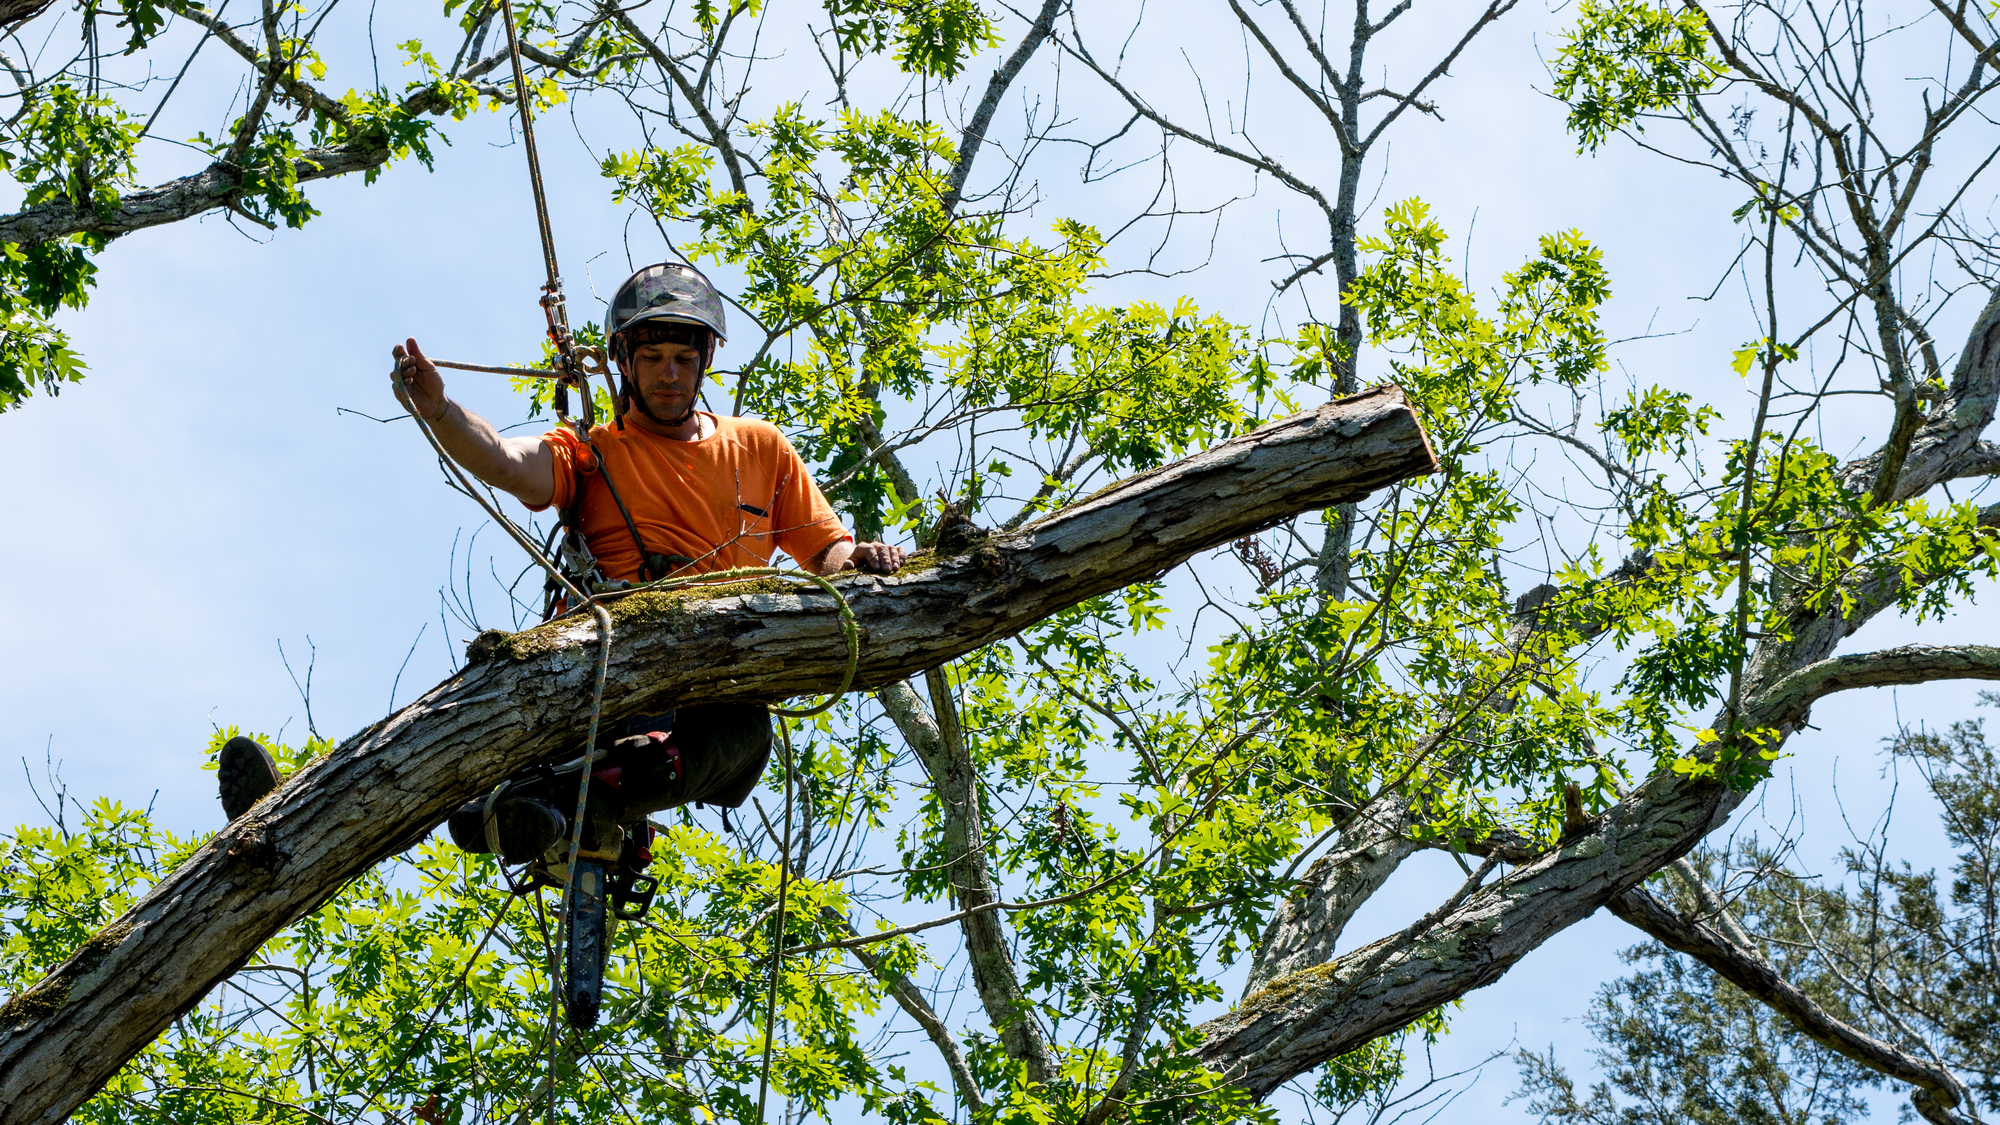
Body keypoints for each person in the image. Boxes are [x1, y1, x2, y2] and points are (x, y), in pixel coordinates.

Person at [217, 263, 906, 863]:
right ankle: (296, 815)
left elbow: (827, 551)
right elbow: (504, 460)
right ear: (626, 363)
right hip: (599, 657)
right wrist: (439, 410)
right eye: (655, 356)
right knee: (448, 738)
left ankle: (561, 803)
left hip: (712, 670)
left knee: (745, 732)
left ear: (704, 362)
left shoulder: (759, 448)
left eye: (682, 358)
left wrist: (863, 557)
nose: (669, 373)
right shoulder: (595, 450)